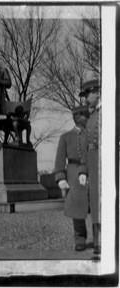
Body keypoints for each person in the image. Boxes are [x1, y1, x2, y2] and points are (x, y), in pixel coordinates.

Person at [54, 106, 89, 251]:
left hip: (92, 170)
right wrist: (60, 177)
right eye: (85, 116)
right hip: (73, 174)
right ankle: (80, 239)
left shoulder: (93, 135)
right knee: (77, 207)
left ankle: (100, 240)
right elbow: (60, 159)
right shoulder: (66, 137)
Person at [78, 79, 101, 255]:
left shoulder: (109, 112)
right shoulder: (90, 117)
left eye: (87, 95)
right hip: (93, 162)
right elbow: (85, 148)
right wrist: (83, 170)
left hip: (105, 160)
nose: (85, 99)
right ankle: (98, 242)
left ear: (97, 93)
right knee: (95, 201)